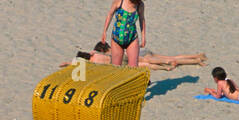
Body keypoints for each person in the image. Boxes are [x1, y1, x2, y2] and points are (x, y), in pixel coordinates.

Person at [100, 0, 148, 68]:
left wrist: (143, 37)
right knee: (116, 68)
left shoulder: (140, 5)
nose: (137, 2)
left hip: (132, 38)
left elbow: (142, 20)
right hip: (116, 39)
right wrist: (104, 31)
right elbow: (110, 14)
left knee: (133, 68)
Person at [71, 43, 205, 71]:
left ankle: (196, 61)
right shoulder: (111, 47)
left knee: (170, 60)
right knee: (172, 57)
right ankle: (196, 57)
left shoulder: (106, 54)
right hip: (140, 50)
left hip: (140, 55)